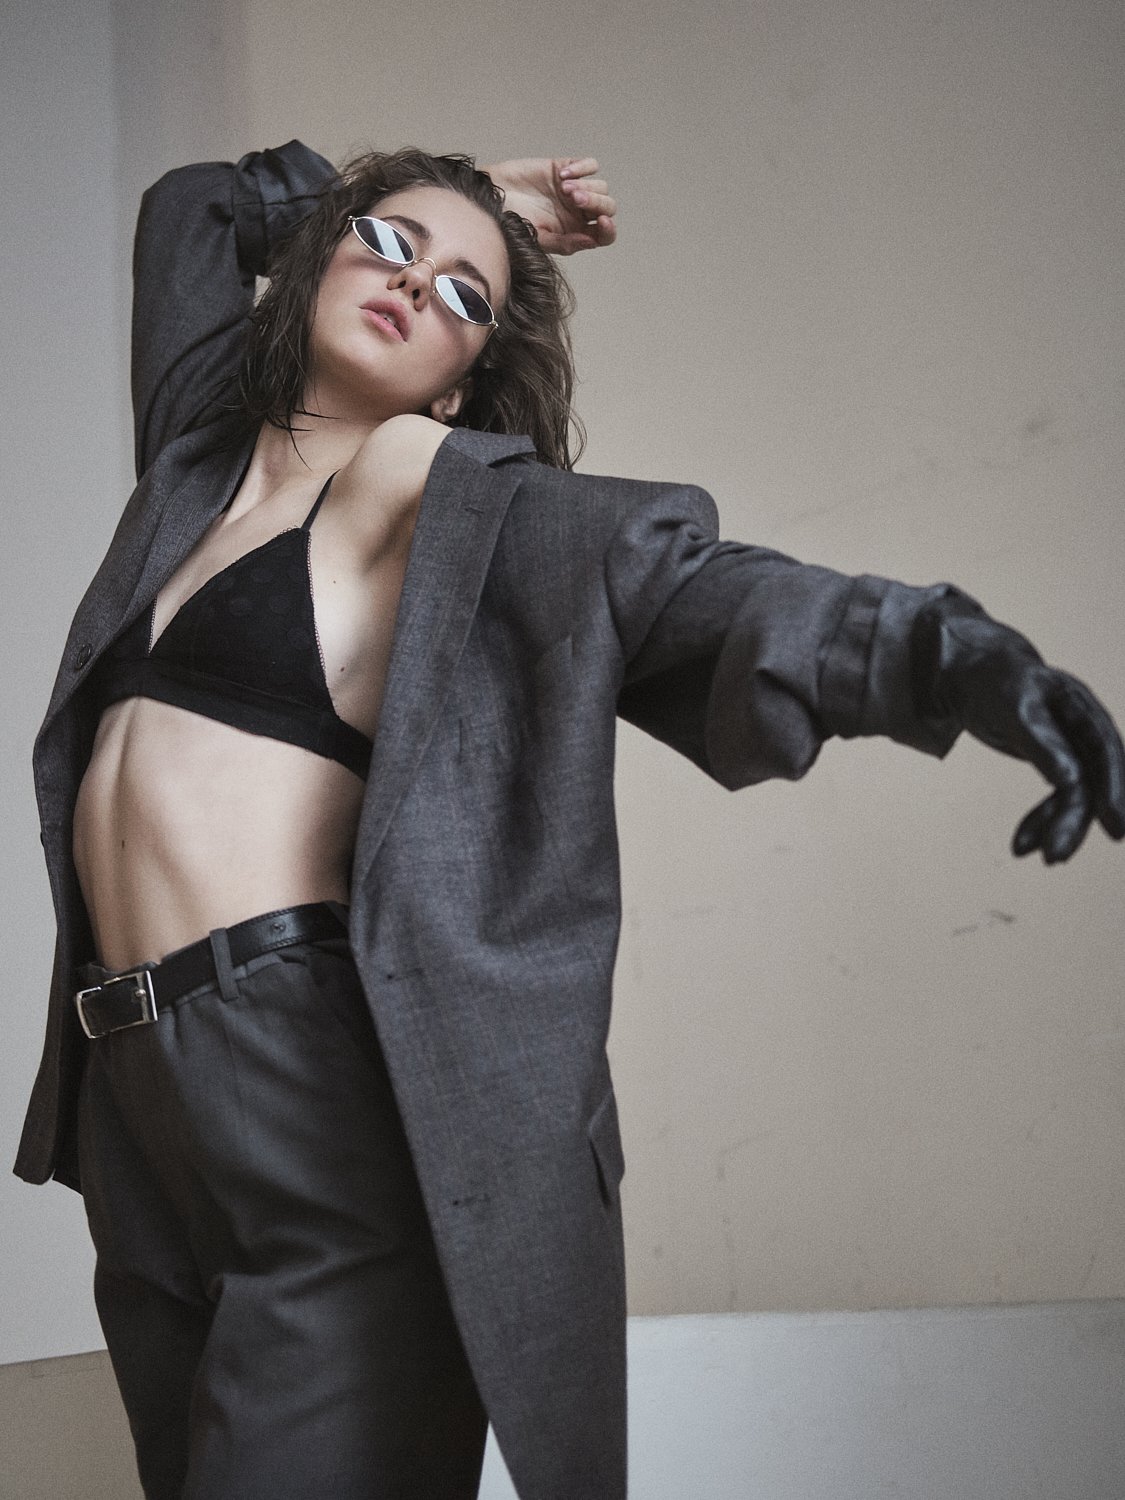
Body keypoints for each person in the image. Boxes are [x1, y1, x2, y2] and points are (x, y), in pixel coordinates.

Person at [15, 136, 1124, 1500]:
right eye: (389, 244)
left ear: (461, 378)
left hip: (306, 1087)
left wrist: (949, 656)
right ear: (319, 256)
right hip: (136, 1107)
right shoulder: (195, 464)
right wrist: (488, 195)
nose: (414, 284)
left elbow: (682, 584)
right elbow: (191, 210)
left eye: (464, 295)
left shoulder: (429, 489)